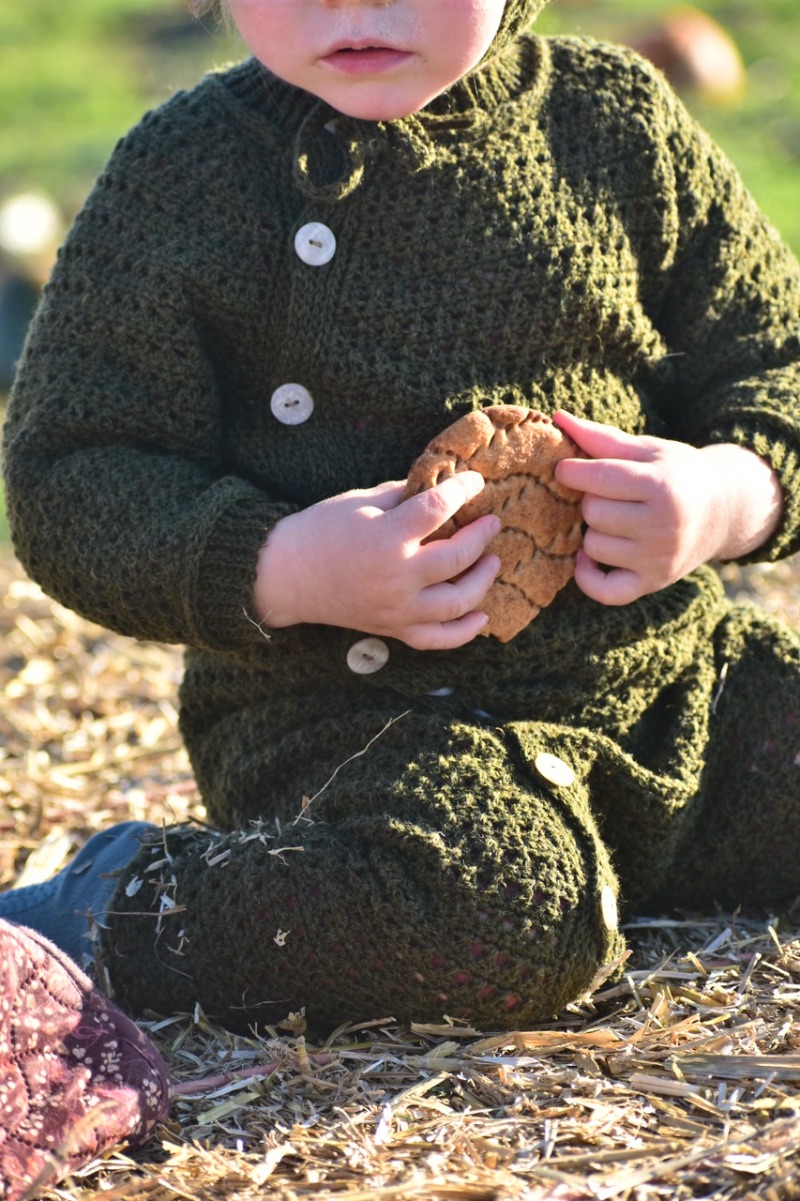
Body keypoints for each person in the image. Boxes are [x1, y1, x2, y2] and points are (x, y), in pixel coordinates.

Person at [2, 0, 800, 1044]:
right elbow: (72, 473)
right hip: (354, 728)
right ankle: (125, 903)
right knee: (492, 917)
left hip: (669, 698)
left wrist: (724, 496)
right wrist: (284, 564)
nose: (353, 1)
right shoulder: (186, 177)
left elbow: (773, 360)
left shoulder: (615, 124)